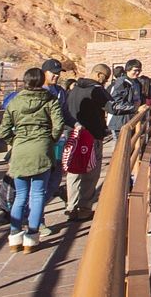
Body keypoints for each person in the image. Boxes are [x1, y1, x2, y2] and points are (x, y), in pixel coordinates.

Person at [0, 67, 65, 253]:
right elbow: (58, 124)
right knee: (37, 195)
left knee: (20, 195)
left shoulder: (15, 100)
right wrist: (49, 140)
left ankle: (14, 237)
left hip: (20, 150)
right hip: (42, 150)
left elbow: (3, 131)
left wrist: (16, 141)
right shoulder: (50, 100)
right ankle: (32, 237)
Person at [65, 63, 113, 220]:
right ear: (100, 76)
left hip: (73, 134)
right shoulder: (96, 90)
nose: (105, 82)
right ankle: (85, 207)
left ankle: (71, 207)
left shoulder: (75, 88)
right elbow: (112, 107)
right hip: (92, 136)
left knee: (74, 171)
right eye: (105, 79)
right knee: (91, 172)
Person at [41, 59, 72, 202]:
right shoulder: (36, 91)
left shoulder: (60, 92)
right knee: (40, 181)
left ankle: (35, 213)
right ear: (44, 72)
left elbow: (65, 113)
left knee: (55, 178)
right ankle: (32, 217)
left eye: (58, 73)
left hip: (58, 141)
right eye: (53, 73)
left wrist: (76, 124)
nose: (56, 76)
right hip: (40, 141)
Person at [107, 64, 142, 132]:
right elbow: (116, 103)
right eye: (135, 70)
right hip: (120, 122)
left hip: (131, 120)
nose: (137, 72)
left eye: (139, 70)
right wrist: (135, 108)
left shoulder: (137, 82)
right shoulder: (122, 82)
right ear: (127, 70)